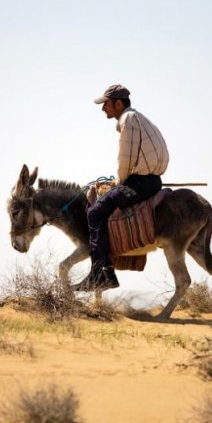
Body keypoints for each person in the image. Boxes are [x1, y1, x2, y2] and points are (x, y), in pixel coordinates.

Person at [73, 84, 169, 291]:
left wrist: (119, 181)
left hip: (139, 183)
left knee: (94, 212)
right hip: (150, 180)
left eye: (106, 104)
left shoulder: (128, 120)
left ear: (118, 103)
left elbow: (125, 159)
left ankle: (101, 273)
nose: (103, 109)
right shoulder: (139, 118)